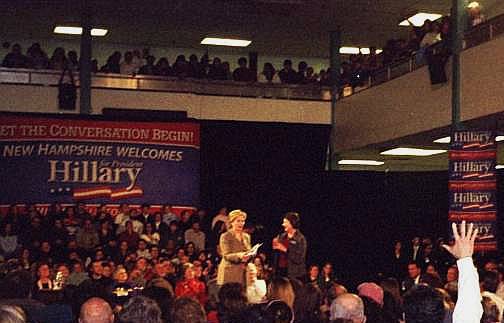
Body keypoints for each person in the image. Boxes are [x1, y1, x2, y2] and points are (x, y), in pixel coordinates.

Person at [217, 209, 251, 286]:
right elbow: (226, 255)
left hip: (243, 272)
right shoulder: (225, 236)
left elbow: (249, 251)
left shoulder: (246, 236)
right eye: (238, 221)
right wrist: (239, 255)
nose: (241, 223)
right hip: (229, 272)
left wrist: (250, 255)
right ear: (232, 222)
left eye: (242, 221)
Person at [272, 212, 307, 279]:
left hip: (294, 275)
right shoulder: (281, 236)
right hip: (280, 272)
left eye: (285, 222)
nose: (283, 224)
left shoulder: (301, 239)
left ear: (292, 223)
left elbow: (299, 258)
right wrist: (275, 247)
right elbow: (276, 256)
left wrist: (285, 249)